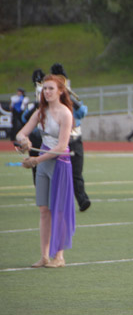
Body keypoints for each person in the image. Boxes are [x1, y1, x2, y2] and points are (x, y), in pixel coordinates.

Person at [15, 74, 76, 268]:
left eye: (51, 88)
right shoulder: (40, 111)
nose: (46, 92)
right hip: (43, 164)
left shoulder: (65, 113)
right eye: (45, 89)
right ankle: (44, 256)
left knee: (59, 210)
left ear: (60, 91)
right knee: (44, 210)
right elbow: (20, 133)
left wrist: (35, 160)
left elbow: (61, 146)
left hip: (59, 164)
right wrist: (24, 142)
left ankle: (59, 256)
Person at [51, 63, 91, 212]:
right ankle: (60, 204)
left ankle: (82, 200)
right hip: (60, 141)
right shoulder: (53, 102)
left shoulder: (71, 101)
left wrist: (70, 98)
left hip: (76, 139)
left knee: (77, 173)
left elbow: (83, 113)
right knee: (60, 174)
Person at [21, 69, 45, 185]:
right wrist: (34, 108)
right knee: (34, 164)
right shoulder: (32, 105)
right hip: (35, 137)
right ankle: (38, 185)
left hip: (46, 138)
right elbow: (24, 118)